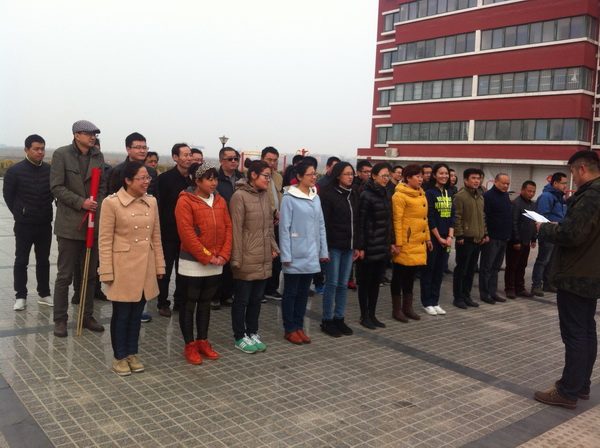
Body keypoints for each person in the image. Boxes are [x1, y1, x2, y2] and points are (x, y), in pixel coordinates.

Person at [534, 150, 600, 409]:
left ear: (581, 169)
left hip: (576, 273)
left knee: (575, 334)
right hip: (591, 272)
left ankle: (567, 391)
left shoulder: (591, 196)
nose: (572, 176)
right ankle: (581, 385)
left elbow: (571, 235)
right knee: (586, 331)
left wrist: (545, 228)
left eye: (572, 171)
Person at [98, 162, 165, 375]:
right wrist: (106, 271)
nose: (147, 182)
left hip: (145, 265)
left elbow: (156, 236)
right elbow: (105, 240)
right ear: (127, 180)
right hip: (123, 267)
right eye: (141, 178)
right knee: (122, 315)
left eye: (148, 178)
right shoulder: (111, 203)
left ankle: (132, 353)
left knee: (137, 314)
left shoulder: (151, 201)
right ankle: (119, 356)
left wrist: (159, 265)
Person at [50, 120, 107, 337]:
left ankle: (86, 315)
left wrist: (96, 204)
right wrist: (80, 202)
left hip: (92, 223)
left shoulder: (98, 156)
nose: (92, 137)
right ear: (76, 135)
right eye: (88, 133)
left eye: (95, 134)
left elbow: (101, 186)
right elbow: (56, 186)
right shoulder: (62, 154)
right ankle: (60, 319)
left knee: (90, 275)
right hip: (69, 224)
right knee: (65, 275)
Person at [175, 163, 232, 364]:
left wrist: (223, 254)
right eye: (209, 179)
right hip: (193, 262)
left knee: (205, 304)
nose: (214, 183)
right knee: (189, 304)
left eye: (215, 178)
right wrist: (207, 257)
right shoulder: (185, 200)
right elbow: (187, 234)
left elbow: (228, 227)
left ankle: (203, 341)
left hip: (216, 261)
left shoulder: (220, 200)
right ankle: (189, 345)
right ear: (197, 181)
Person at [229, 160, 279, 353]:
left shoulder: (264, 195)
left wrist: (273, 246)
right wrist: (236, 259)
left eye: (270, 176)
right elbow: (236, 230)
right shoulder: (239, 196)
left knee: (257, 299)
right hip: (246, 256)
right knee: (242, 299)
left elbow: (269, 226)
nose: (268, 180)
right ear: (253, 175)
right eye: (266, 176)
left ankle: (252, 332)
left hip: (263, 255)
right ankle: (239, 336)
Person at [279, 161, 328, 344]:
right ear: (299, 177)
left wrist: (323, 250)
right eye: (310, 174)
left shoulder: (315, 196)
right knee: (290, 292)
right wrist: (286, 255)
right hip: (295, 252)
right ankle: (289, 328)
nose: (314, 177)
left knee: (303, 292)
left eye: (315, 173)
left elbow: (321, 225)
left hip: (311, 253)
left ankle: (299, 326)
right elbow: (284, 228)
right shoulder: (289, 197)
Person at [3, 134, 53, 311]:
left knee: (43, 260)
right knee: (21, 260)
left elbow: (53, 193)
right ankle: (20, 296)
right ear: (26, 150)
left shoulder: (49, 170)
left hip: (44, 223)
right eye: (36, 149)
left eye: (42, 149)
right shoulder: (14, 171)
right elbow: (8, 196)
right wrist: (21, 213)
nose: (40, 152)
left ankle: (44, 293)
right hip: (24, 225)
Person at [320, 162, 359, 337]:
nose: (350, 177)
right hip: (333, 247)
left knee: (343, 285)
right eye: (346, 174)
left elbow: (357, 222)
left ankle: (339, 318)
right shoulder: (328, 195)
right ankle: (327, 320)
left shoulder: (353, 194)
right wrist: (324, 248)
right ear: (338, 176)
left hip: (349, 247)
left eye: (352, 173)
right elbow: (323, 224)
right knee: (332, 284)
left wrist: (357, 245)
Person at [389, 164, 432, 321]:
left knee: (411, 275)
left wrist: (427, 238)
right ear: (408, 178)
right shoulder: (399, 196)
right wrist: (398, 243)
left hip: (418, 241)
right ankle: (396, 309)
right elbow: (397, 221)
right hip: (405, 242)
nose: (420, 179)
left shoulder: (421, 194)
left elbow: (424, 220)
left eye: (421, 176)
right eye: (417, 176)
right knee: (399, 275)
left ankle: (408, 307)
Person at [156, 143, 192, 316]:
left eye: (190, 155)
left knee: (183, 271)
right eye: (185, 155)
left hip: (187, 234)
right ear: (175, 157)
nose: (188, 158)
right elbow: (159, 206)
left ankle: (180, 301)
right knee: (165, 271)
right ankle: (162, 303)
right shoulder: (165, 179)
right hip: (168, 233)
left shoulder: (193, 180)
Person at [357, 163, 393, 329]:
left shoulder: (386, 193)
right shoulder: (366, 195)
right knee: (366, 283)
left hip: (382, 245)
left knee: (376, 283)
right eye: (383, 175)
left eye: (388, 176)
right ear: (374, 176)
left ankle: (372, 314)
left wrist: (390, 242)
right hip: (369, 246)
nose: (386, 179)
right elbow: (361, 223)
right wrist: (361, 247)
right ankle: (364, 315)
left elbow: (389, 221)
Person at [420, 163, 454, 316]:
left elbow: (453, 216)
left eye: (446, 173)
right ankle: (427, 302)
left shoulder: (449, 192)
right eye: (441, 173)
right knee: (429, 270)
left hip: (447, 239)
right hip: (434, 238)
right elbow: (430, 217)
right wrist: (439, 237)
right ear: (434, 175)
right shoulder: (429, 193)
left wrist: (449, 236)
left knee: (439, 271)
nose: (444, 176)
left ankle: (435, 301)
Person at [452, 168, 488, 309]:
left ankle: (466, 295)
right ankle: (458, 297)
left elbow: (482, 217)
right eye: (473, 178)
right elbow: (457, 217)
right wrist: (459, 235)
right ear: (465, 180)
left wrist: (484, 233)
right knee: (461, 270)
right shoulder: (460, 196)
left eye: (478, 178)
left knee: (471, 270)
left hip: (477, 239)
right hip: (465, 239)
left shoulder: (480, 196)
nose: (476, 181)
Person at [214, 147, 243, 310]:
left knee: (233, 261)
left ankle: (227, 294)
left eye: (236, 159)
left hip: (238, 225)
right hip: (220, 224)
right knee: (220, 260)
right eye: (230, 159)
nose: (233, 162)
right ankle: (215, 296)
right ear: (221, 161)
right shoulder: (215, 178)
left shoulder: (242, 178)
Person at [531, 172, 568, 297]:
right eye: (563, 183)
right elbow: (542, 216)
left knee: (552, 260)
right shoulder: (546, 197)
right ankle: (536, 285)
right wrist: (549, 226)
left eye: (566, 183)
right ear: (555, 183)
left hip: (557, 233)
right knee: (543, 260)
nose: (565, 186)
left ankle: (547, 283)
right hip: (548, 233)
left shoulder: (560, 198)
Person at [479, 173, 511, 304]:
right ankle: (485, 293)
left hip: (503, 237)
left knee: (496, 267)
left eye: (508, 184)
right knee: (486, 267)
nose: (506, 186)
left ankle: (493, 292)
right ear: (495, 182)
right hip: (491, 238)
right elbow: (483, 217)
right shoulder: (487, 196)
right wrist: (485, 234)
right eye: (503, 183)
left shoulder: (506, 196)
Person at [504, 181, 537, 299]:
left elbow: (533, 222)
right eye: (529, 191)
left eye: (533, 192)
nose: (531, 194)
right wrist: (516, 240)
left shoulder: (532, 205)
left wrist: (534, 238)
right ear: (522, 190)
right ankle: (510, 288)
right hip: (516, 241)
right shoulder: (516, 204)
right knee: (512, 265)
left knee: (522, 265)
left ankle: (520, 287)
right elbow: (514, 222)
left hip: (527, 241)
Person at [261, 147, 284, 301]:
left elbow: (280, 197)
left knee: (277, 258)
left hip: (278, 221)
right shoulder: (257, 176)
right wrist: (273, 212)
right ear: (262, 159)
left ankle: (272, 288)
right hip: (264, 221)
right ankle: (260, 290)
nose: (272, 163)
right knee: (264, 257)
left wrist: (280, 214)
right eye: (269, 159)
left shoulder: (278, 176)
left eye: (275, 160)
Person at [107, 132, 158, 196]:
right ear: (128, 149)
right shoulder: (117, 171)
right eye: (138, 147)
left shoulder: (152, 172)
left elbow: (155, 196)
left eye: (144, 148)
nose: (142, 151)